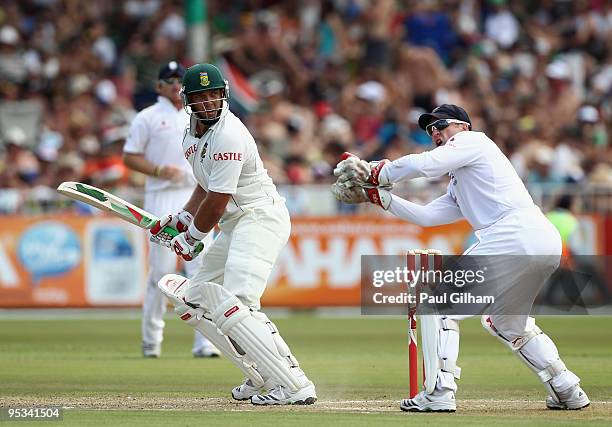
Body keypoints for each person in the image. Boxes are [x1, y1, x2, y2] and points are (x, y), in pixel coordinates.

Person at [332, 104, 590, 412]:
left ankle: (440, 391)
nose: (435, 133)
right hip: (539, 240)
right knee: (507, 323)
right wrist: (380, 197)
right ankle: (567, 388)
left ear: (462, 127)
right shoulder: (461, 181)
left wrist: (378, 171)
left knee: (438, 304)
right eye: (430, 131)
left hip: (514, 232)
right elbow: (427, 216)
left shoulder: (474, 140)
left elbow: (426, 164)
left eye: (441, 125)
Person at [150, 63, 316, 405]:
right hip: (234, 223)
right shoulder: (190, 135)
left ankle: (293, 384)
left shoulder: (229, 134)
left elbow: (218, 198)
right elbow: (204, 183)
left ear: (224, 95)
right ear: (188, 101)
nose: (209, 102)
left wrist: (191, 237)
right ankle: (260, 374)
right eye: (201, 97)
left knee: (239, 303)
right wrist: (183, 217)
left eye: (214, 95)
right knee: (193, 300)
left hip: (259, 217)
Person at [123, 61, 219, 358]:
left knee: (201, 271)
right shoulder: (148, 117)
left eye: (180, 80)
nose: (177, 85)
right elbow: (129, 156)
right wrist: (159, 170)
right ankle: (151, 341)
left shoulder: (196, 114)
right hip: (161, 198)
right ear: (159, 86)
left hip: (197, 195)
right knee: (161, 272)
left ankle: (206, 342)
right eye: (170, 80)